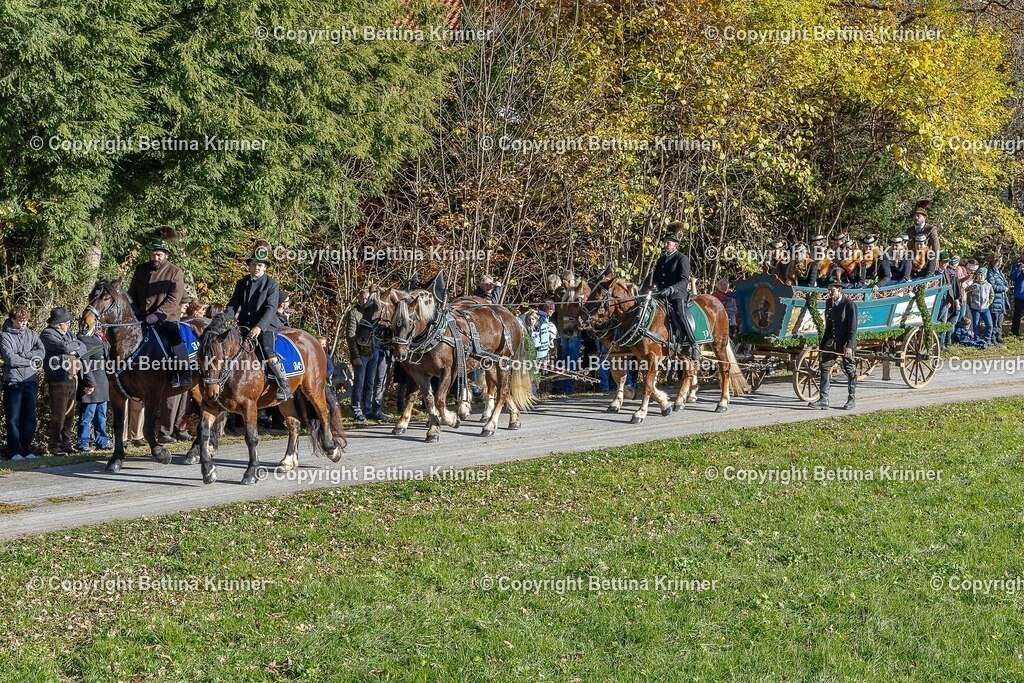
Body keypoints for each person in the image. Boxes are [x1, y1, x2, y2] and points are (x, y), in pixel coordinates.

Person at [224, 240, 291, 401]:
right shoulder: (242, 283)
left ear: (265, 267)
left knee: (268, 351)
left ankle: (284, 384)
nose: (256, 268)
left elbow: (270, 309)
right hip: (243, 325)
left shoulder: (272, 284)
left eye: (260, 265)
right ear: (249, 265)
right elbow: (233, 304)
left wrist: (259, 327)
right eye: (254, 264)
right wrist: (225, 319)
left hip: (266, 326)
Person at [128, 226, 189, 387]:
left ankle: (182, 373)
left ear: (166, 255)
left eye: (159, 254)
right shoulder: (140, 269)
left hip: (166, 317)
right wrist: (134, 312)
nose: (155, 257)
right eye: (153, 254)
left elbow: (174, 298)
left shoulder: (175, 272)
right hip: (141, 316)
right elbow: (131, 293)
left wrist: (157, 315)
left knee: (174, 338)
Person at [40, 307, 93, 455]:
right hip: (59, 378)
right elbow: (63, 347)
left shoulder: (69, 334)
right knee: (59, 413)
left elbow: (82, 346)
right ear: (58, 324)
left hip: (72, 377)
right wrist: (73, 348)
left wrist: (74, 349)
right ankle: (54, 444)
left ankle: (66, 442)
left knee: (70, 413)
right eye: (66, 322)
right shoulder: (47, 334)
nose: (69, 324)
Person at [646, 229, 700, 360]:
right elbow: (657, 279)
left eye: (668, 242)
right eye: (664, 242)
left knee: (680, 314)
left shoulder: (682, 258)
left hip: (677, 294)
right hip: (661, 295)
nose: (665, 245)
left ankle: (694, 344)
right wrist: (654, 287)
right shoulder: (660, 260)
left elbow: (684, 280)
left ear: (675, 244)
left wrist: (671, 289)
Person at [1, 306, 44, 460]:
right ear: (13, 319)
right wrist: (31, 361)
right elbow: (10, 359)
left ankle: (27, 449)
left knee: (29, 417)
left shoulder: (32, 334)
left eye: (26, 320)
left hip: (30, 380)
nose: (24, 323)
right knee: (13, 417)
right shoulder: (5, 337)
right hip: (13, 381)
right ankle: (14, 451)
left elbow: (42, 352)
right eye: (21, 320)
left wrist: (25, 355)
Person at [808, 282, 857, 410]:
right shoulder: (829, 303)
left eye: (832, 290)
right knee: (824, 367)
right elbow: (829, 326)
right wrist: (823, 344)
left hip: (845, 343)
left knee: (850, 370)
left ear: (840, 290)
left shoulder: (849, 305)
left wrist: (849, 346)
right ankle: (823, 400)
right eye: (829, 290)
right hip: (831, 342)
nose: (830, 293)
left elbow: (852, 329)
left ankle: (851, 400)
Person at [76, 330, 111, 452]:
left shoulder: (102, 339)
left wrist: (103, 339)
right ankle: (83, 442)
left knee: (101, 415)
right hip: (92, 380)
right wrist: (89, 382)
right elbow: (84, 363)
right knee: (87, 415)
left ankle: (102, 441)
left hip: (103, 380)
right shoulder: (84, 339)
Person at [346, 289, 375, 421]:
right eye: (362, 299)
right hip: (360, 353)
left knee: (370, 382)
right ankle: (356, 407)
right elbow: (350, 336)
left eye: (366, 299)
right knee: (359, 383)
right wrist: (354, 355)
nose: (364, 301)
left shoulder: (373, 311)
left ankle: (367, 408)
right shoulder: (354, 313)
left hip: (373, 352)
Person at [906, 200, 939, 276]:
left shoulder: (931, 229)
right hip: (911, 262)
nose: (916, 218)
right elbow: (906, 247)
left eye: (918, 216)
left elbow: (936, 248)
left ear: (924, 218)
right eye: (914, 216)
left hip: (926, 263)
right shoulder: (909, 230)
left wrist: (933, 266)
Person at [936, 252, 962, 350]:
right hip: (936, 301)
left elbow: (951, 288)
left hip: (945, 302)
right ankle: (937, 344)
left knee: (943, 323)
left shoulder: (948, 272)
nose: (946, 264)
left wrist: (952, 300)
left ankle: (941, 345)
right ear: (939, 262)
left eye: (947, 262)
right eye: (944, 262)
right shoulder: (935, 273)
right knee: (938, 322)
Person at [967, 268, 994, 346]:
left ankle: (987, 339)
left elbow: (992, 295)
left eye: (981, 275)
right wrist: (971, 303)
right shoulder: (974, 285)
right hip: (975, 308)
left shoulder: (988, 285)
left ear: (984, 276)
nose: (980, 277)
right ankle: (977, 340)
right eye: (978, 275)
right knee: (975, 324)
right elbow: (968, 294)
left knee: (989, 324)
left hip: (985, 308)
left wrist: (988, 303)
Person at [988, 255, 1009, 345]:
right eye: (998, 261)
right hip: (995, 300)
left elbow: (1005, 283)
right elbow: (992, 286)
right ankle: (993, 338)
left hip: (1001, 300)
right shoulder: (990, 272)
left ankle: (998, 336)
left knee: (1000, 320)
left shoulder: (999, 272)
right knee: (994, 320)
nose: (1000, 263)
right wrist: (1003, 288)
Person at [1010, 252, 1024, 336]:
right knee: (1017, 315)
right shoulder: (1017, 265)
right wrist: (1019, 270)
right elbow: (1012, 277)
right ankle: (1015, 332)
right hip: (1019, 295)